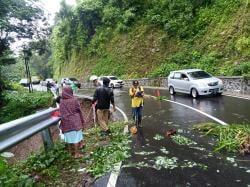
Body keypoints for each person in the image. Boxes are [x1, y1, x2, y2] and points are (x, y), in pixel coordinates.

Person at [59, 86, 85, 158]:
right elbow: (79, 110)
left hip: (66, 122)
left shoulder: (61, 101)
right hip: (75, 121)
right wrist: (82, 121)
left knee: (69, 137)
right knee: (76, 138)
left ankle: (70, 153)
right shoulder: (74, 100)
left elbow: (61, 112)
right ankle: (77, 154)